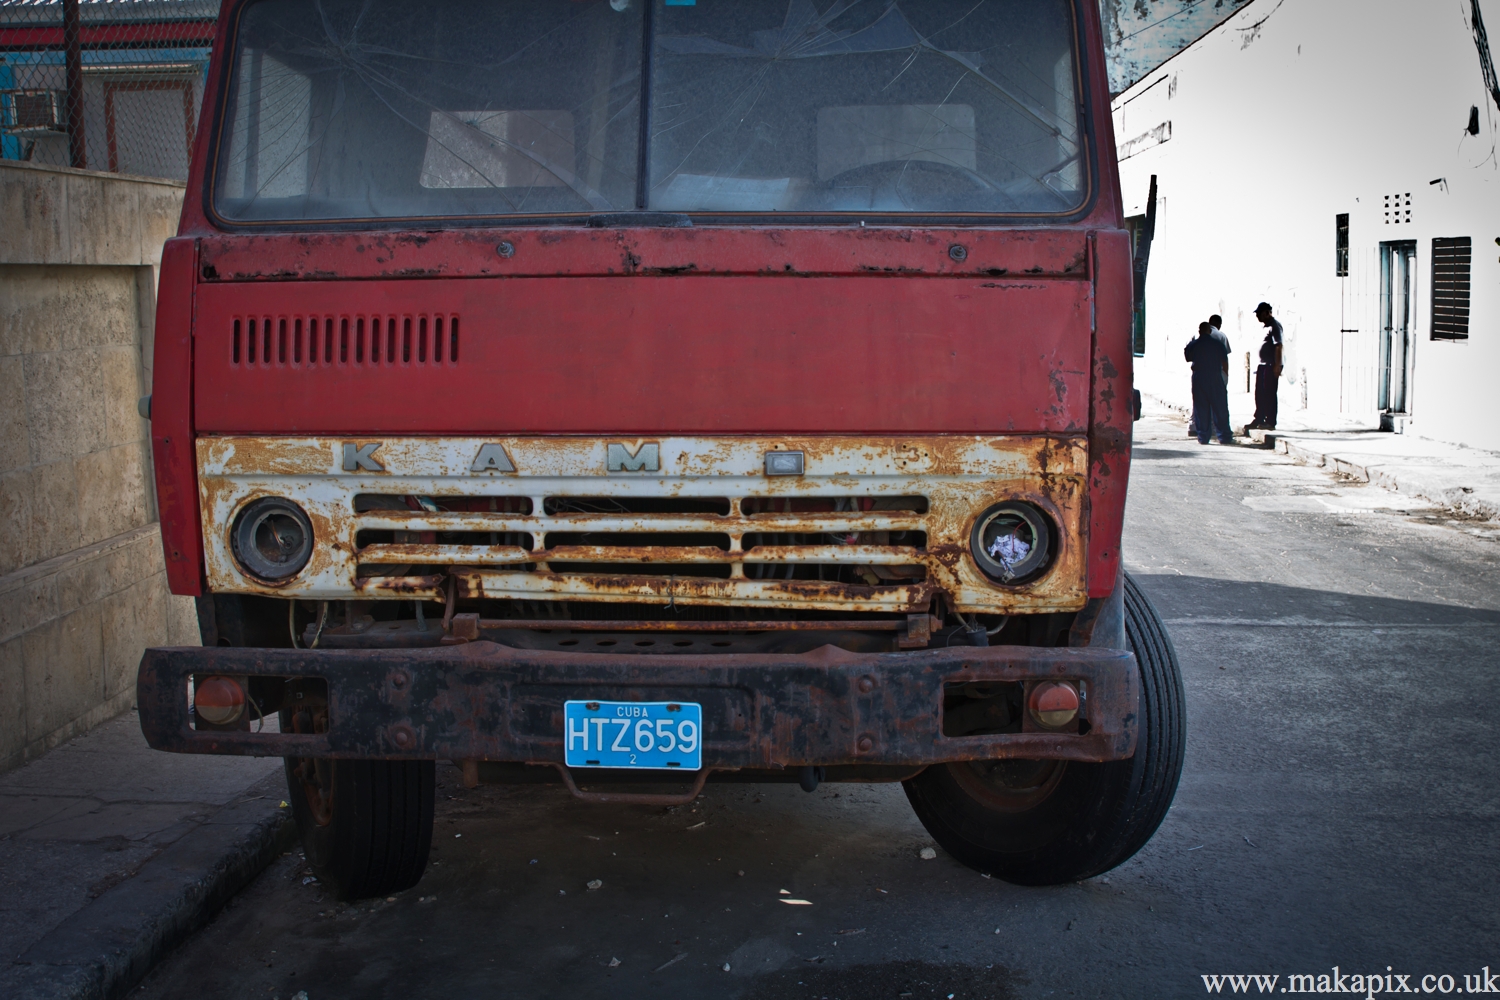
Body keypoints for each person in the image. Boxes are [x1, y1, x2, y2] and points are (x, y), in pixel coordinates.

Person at [1184, 320, 1233, 444]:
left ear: (1199, 331)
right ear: (1210, 331)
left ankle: (1203, 437)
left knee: (1201, 407)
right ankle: (1224, 436)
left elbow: (1188, 357)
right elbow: (1224, 361)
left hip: (1199, 377)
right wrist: (1225, 376)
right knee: (1220, 407)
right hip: (1215, 376)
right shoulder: (1217, 344)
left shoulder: (1194, 344)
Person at [1249, 302, 1283, 430]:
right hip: (1262, 365)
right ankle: (1259, 418)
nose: (1258, 316)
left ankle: (1270, 421)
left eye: (1260, 313)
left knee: (1269, 393)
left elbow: (1278, 346)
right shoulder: (1265, 327)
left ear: (1267, 313)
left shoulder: (1275, 326)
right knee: (1260, 393)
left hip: (1271, 365)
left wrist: (1277, 365)